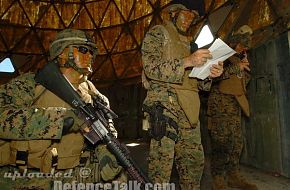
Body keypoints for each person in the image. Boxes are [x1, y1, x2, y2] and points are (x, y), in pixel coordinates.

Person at [0, 29, 126, 189]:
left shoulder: (97, 97)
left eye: (92, 52)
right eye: (83, 50)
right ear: (61, 52)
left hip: (78, 177)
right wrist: (62, 120)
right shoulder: (31, 84)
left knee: (120, 179)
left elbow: (107, 135)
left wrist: (107, 154)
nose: (90, 56)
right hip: (29, 178)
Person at [141, 0, 224, 189]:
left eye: (193, 17)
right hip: (165, 106)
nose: (190, 20)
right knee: (161, 167)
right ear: (173, 13)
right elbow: (151, 68)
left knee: (193, 164)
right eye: (186, 14)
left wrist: (210, 74)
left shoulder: (190, 43)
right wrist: (187, 61)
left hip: (189, 110)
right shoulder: (158, 33)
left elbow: (198, 83)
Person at [207, 25, 258, 190]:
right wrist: (238, 67)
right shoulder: (222, 53)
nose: (248, 42)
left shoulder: (239, 56)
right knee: (222, 143)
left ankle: (233, 176)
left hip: (235, 105)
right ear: (238, 38)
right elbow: (211, 77)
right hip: (220, 105)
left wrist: (244, 69)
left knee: (237, 143)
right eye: (245, 38)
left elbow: (242, 81)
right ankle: (218, 179)